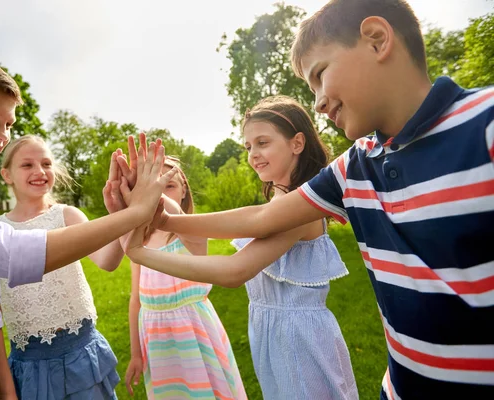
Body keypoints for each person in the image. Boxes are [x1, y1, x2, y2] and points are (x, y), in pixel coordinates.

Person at [143, 1, 494, 398]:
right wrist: (162, 221)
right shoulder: (354, 167)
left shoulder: (485, 123)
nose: (319, 102)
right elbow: (259, 219)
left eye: (320, 75)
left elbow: (241, 258)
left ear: (377, 41)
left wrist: (143, 249)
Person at [0, 55, 173, 399]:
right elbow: (8, 253)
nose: (2, 134)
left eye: (8, 124)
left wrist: (128, 210)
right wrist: (133, 214)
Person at [122, 97, 358, 399]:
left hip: (300, 340)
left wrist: (142, 253)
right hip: (274, 335)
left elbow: (235, 270)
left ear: (297, 143)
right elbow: (248, 219)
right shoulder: (280, 203)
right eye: (248, 147)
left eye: (262, 142)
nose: (253, 154)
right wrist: (167, 221)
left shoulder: (299, 207)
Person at [0, 135, 126, 399]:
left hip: (81, 352)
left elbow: (108, 261)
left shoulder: (68, 216)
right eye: (27, 165)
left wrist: (123, 214)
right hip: (30, 363)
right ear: (7, 175)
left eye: (46, 163)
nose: (40, 171)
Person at [124, 156, 247, 399]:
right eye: (154, 183)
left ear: (183, 192)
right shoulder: (139, 240)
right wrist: (136, 354)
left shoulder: (191, 232)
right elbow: (136, 299)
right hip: (156, 336)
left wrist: (154, 194)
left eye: (168, 184)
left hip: (194, 331)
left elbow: (196, 243)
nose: (159, 189)